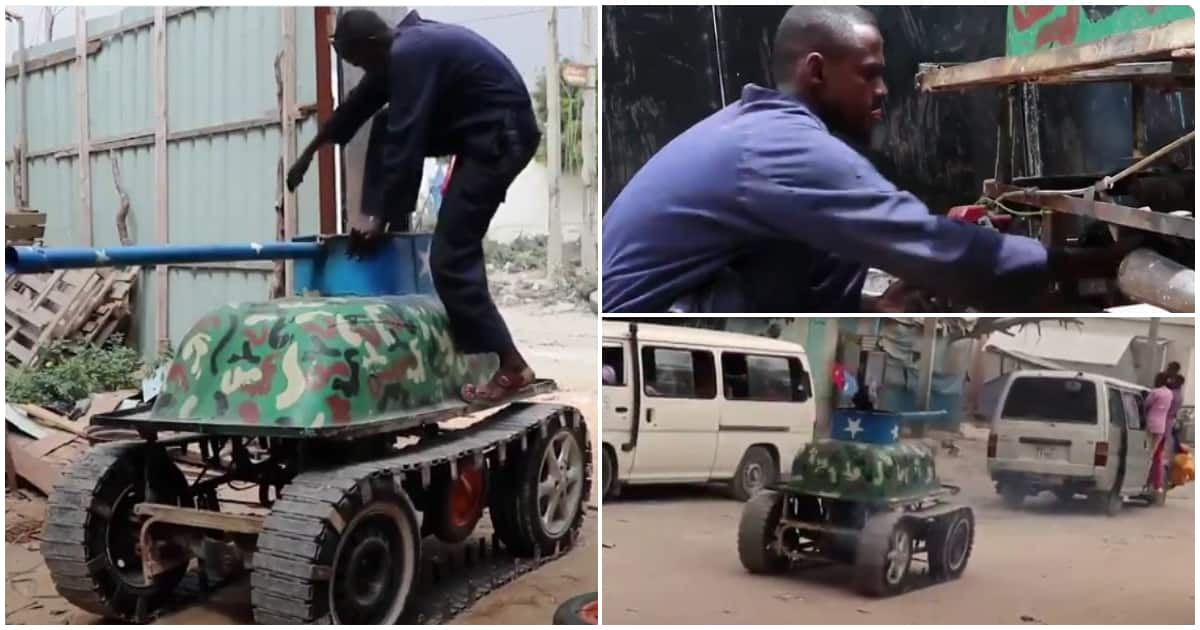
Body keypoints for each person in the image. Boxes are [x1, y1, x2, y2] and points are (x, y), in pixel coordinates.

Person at [601, 6, 1131, 313]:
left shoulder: (759, 128)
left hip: (673, 311)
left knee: (839, 236)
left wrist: (874, 307)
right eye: (868, 73)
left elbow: (895, 235)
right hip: (645, 335)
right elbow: (931, 250)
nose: (882, 91)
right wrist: (1088, 266)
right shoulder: (780, 147)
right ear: (816, 71)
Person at [322, 9, 541, 402]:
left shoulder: (411, 53)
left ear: (373, 44)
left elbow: (408, 137)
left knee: (450, 258)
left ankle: (512, 366)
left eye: (358, 60)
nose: (361, 69)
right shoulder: (405, 46)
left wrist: (382, 218)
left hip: (500, 140)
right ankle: (381, 219)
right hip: (483, 132)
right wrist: (315, 149)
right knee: (386, 124)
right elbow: (361, 102)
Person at [1144, 373, 1174, 495]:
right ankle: (1155, 484)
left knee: (1146, 453)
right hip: (1161, 427)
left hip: (1150, 424)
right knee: (1154, 454)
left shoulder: (1155, 392)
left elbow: (1146, 404)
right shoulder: (1169, 393)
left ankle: (1143, 481)